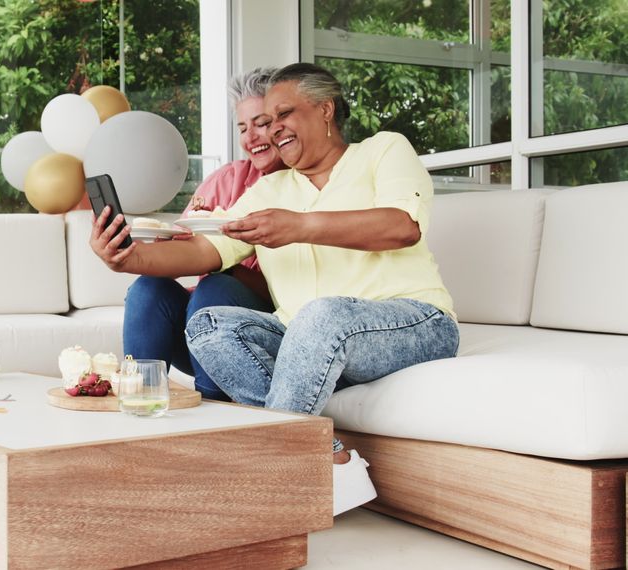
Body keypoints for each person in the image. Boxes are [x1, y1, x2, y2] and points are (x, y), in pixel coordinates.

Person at [91, 62, 459, 516]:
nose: (273, 128)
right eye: (265, 119)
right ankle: (329, 455)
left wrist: (300, 225)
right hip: (306, 341)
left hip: (412, 322)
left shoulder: (383, 151)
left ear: (325, 109)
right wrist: (127, 258)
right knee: (209, 323)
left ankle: (263, 480)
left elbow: (402, 227)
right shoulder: (271, 190)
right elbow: (206, 250)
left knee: (321, 315)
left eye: (283, 114)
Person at [122, 67, 286, 402]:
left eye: (262, 123)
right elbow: (183, 242)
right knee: (147, 288)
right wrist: (134, 245)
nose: (251, 137)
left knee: (217, 286)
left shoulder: (303, 185)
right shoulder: (227, 178)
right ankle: (140, 400)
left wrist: (226, 266)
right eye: (243, 127)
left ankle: (215, 410)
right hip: (199, 322)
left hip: (261, 331)